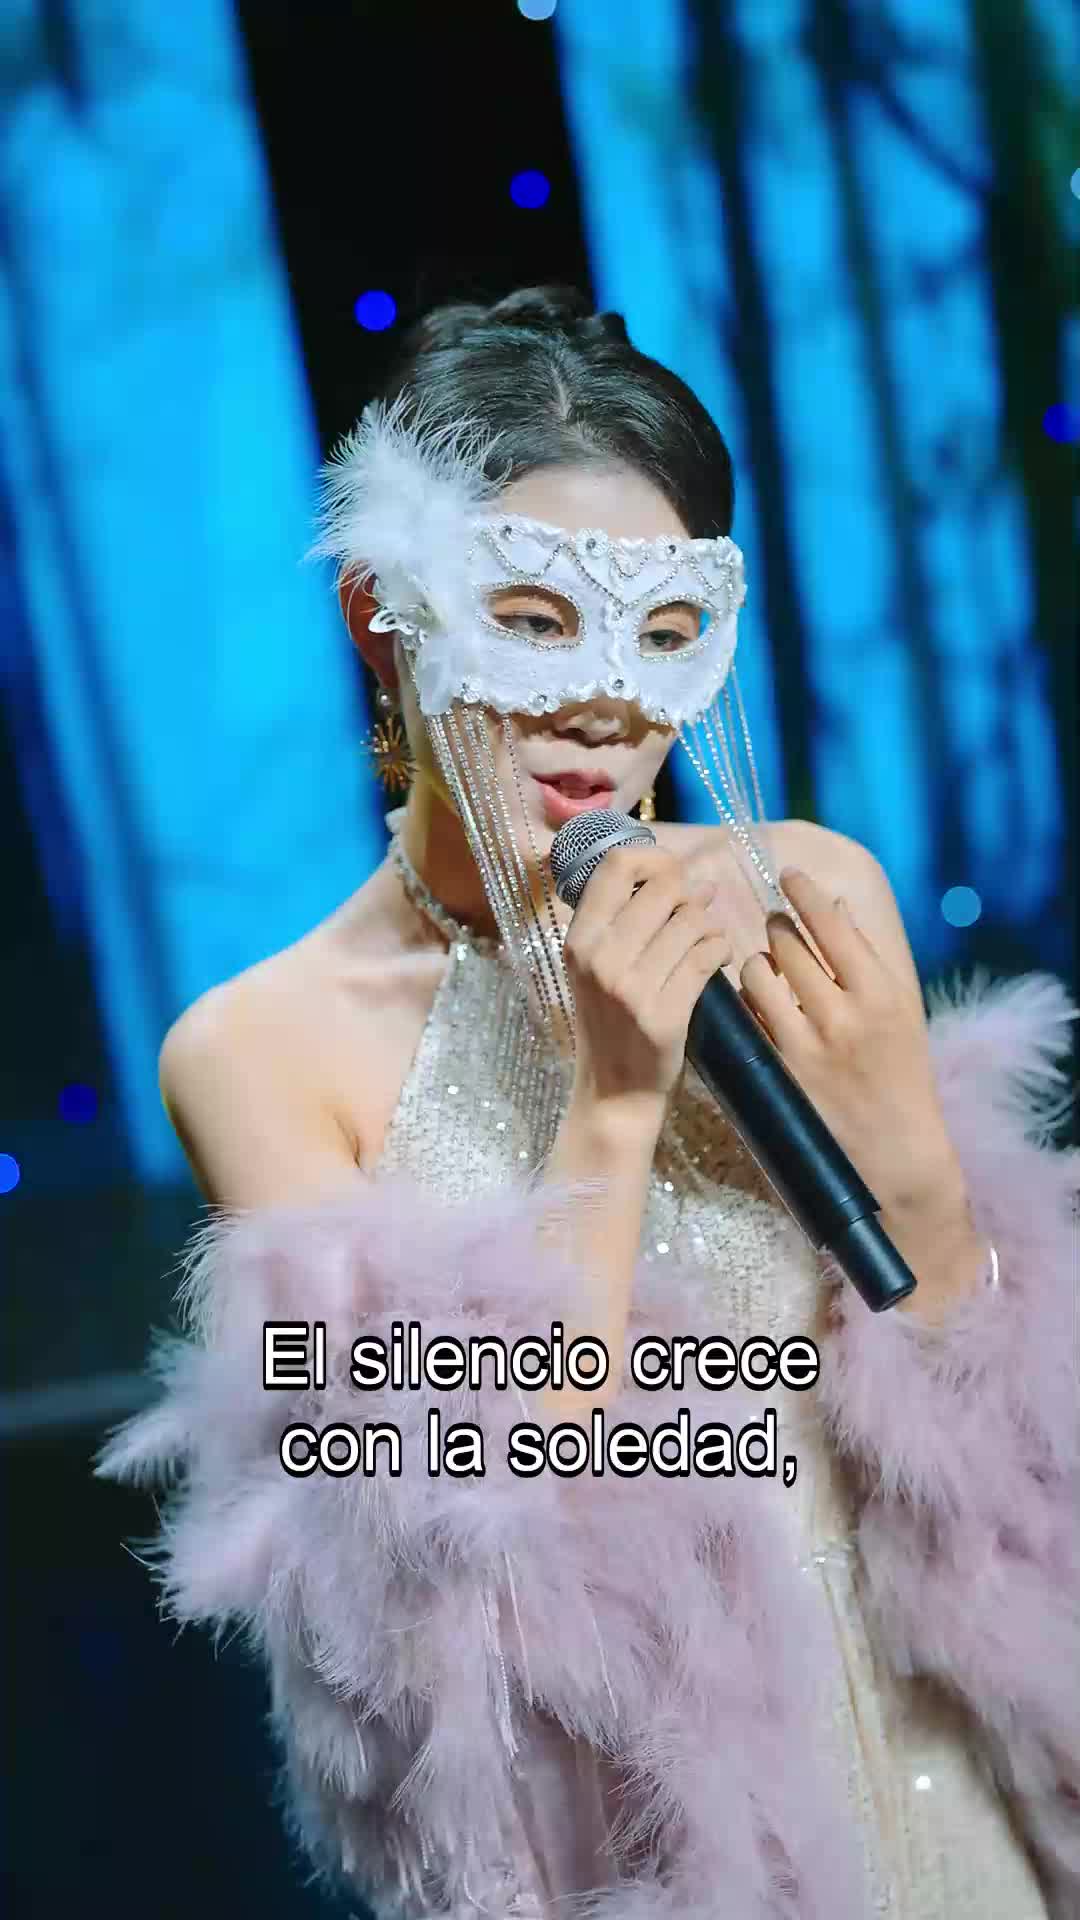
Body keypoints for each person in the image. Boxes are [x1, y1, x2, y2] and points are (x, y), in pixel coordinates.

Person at [96, 287, 1079, 1920]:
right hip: (650, 1854)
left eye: (662, 632)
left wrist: (908, 1155)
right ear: (382, 615)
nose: (607, 708)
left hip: (956, 1789)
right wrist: (614, 1105)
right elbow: (446, 1571)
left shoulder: (807, 902)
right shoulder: (263, 1051)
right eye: (538, 620)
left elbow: (1008, 1473)